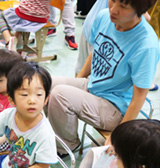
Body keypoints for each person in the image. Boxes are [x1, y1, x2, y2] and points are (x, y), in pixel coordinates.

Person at [47, 0, 160, 155]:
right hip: (94, 88)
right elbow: (95, 51)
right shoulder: (104, 16)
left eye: (123, 7)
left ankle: (67, 146)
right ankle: (54, 134)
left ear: (140, 11)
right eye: (112, 1)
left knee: (60, 94)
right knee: (45, 83)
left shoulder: (146, 45)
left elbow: (139, 97)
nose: (113, 9)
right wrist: (78, 83)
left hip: (115, 107)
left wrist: (119, 134)